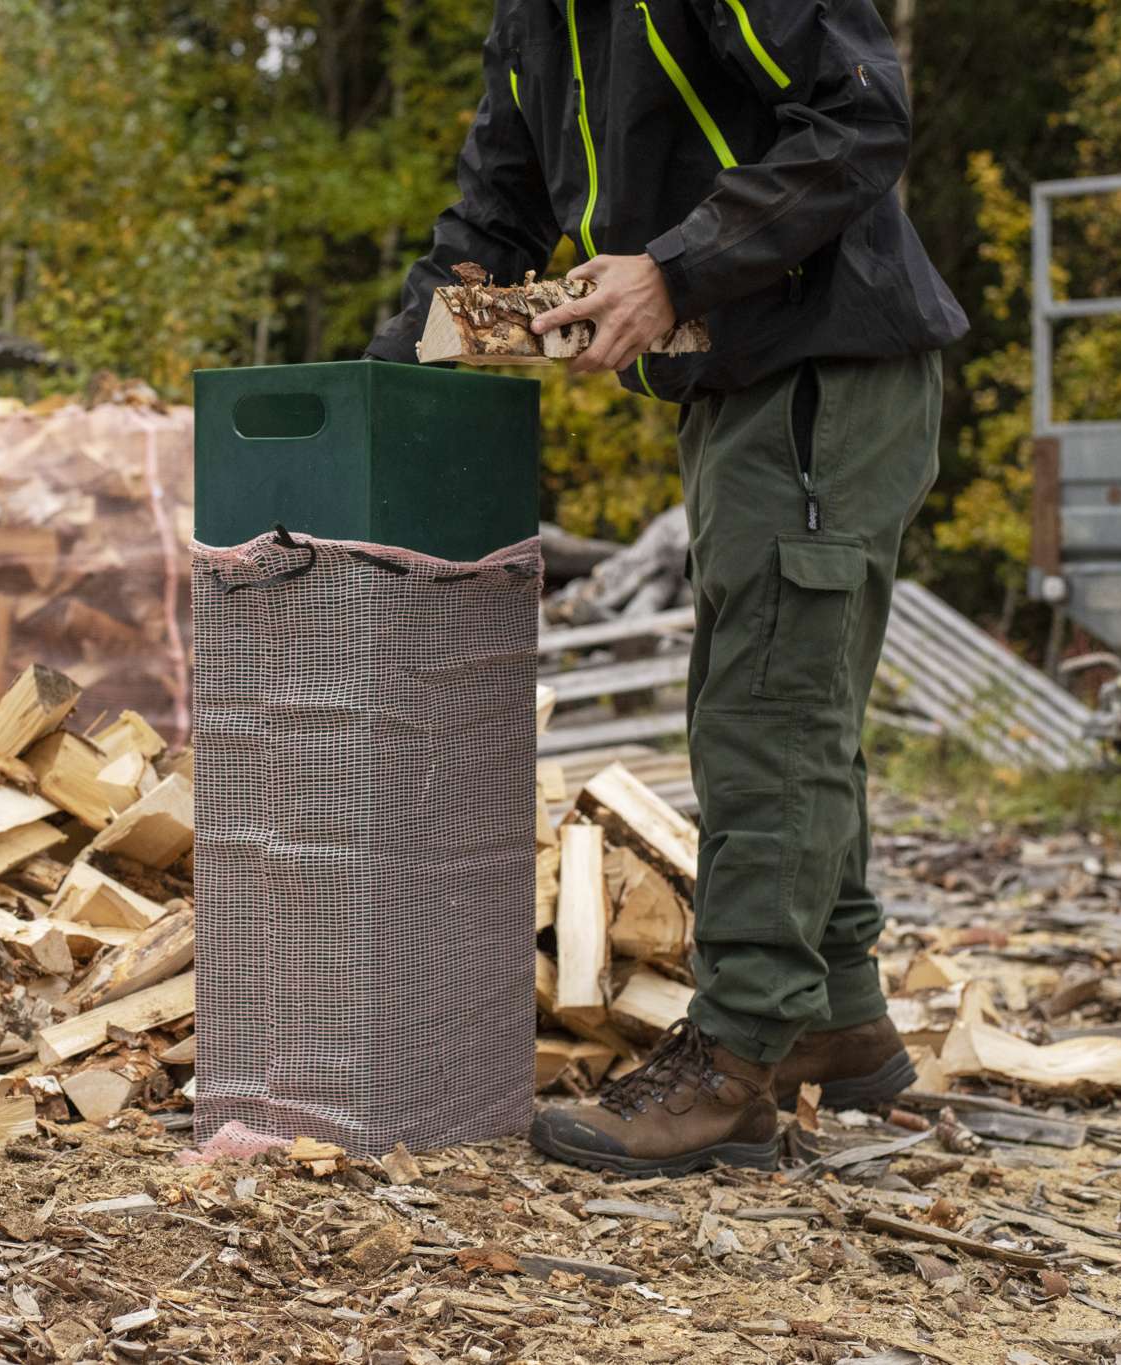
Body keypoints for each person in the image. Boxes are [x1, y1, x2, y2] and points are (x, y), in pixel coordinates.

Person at [368, 0, 968, 1175]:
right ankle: (835, 1022)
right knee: (775, 695)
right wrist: (385, 373)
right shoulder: (536, 17)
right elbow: (495, 207)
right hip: (728, 379)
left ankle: (735, 1066)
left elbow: (858, 122)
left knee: (766, 713)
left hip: (822, 362)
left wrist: (670, 269)